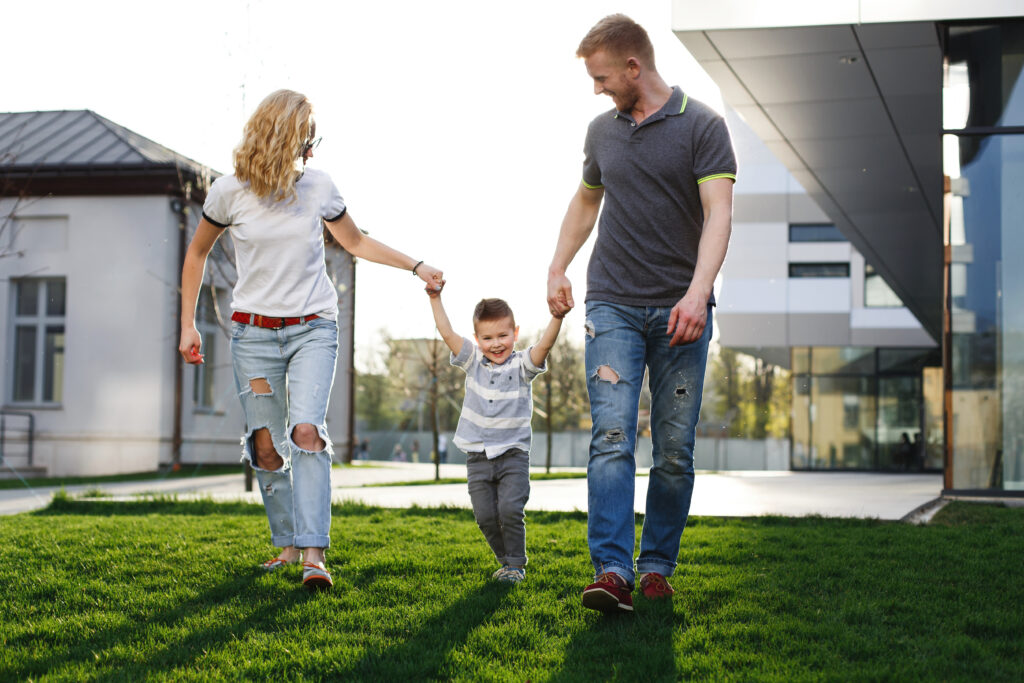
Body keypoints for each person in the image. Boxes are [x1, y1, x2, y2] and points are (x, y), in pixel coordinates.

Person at [179, 89, 442, 591]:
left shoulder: (318, 185)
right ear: (282, 137)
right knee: (265, 444)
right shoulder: (228, 192)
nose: (312, 149)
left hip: (313, 329)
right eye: (307, 138)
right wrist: (189, 324)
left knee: (305, 431)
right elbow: (196, 255)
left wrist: (416, 265)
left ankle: (314, 556)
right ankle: (286, 546)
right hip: (253, 335)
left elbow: (357, 242)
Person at [547, 15, 736, 613]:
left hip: (682, 311)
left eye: (603, 76)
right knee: (610, 437)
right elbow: (585, 201)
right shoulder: (601, 133)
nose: (597, 88)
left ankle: (655, 565)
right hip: (613, 304)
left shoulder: (703, 125)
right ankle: (611, 570)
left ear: (634, 67)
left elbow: (719, 215)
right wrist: (558, 266)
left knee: (675, 450)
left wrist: (697, 293)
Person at [427, 290, 563, 583]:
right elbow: (446, 332)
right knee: (485, 516)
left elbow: (545, 346)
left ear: (515, 333)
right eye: (487, 338)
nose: (496, 343)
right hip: (477, 456)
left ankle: (515, 565)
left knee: (510, 508)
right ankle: (506, 561)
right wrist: (435, 298)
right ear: (477, 339)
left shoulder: (522, 366)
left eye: (503, 335)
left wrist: (557, 317)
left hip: (513, 455)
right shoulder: (472, 361)